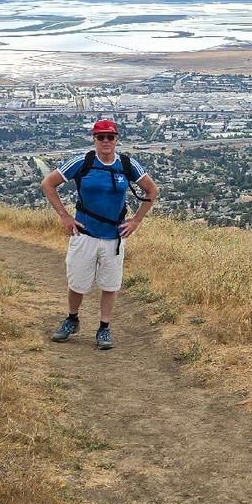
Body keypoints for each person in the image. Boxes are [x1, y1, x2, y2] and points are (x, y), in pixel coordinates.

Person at [41, 119, 159, 350]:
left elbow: (152, 190)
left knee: (110, 285)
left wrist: (136, 221)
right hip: (84, 233)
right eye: (101, 137)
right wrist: (65, 216)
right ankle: (72, 319)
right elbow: (48, 183)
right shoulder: (82, 162)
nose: (106, 141)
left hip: (114, 237)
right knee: (77, 283)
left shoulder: (127, 164)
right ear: (94, 139)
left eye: (110, 137)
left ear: (116, 139)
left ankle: (104, 328)